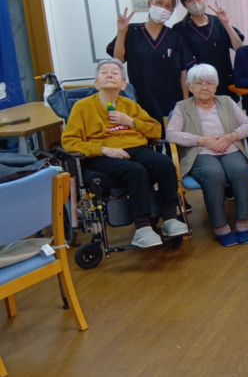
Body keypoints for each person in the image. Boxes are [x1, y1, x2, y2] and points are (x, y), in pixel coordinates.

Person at [61, 59, 189, 248]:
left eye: (115, 72)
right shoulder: (82, 107)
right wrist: (102, 149)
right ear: (96, 84)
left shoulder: (130, 105)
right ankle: (143, 228)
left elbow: (155, 130)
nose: (109, 74)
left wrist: (132, 122)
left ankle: (170, 219)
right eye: (104, 72)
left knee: (164, 164)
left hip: (136, 148)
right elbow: (69, 142)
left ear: (123, 85)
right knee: (136, 171)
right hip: (102, 154)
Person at [166, 64, 248, 247]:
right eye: (199, 83)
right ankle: (221, 227)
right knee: (213, 174)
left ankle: (243, 223)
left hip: (229, 148)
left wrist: (231, 137)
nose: (205, 87)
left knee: (240, 170)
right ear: (190, 86)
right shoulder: (182, 107)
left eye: (209, 83)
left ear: (216, 85)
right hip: (200, 153)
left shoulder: (227, 101)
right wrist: (201, 140)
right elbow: (171, 134)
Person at [107, 0, 192, 125]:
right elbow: (118, 60)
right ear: (149, 3)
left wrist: (186, 103)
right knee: (144, 131)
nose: (163, 8)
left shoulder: (174, 37)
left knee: (170, 135)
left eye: (168, 6)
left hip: (170, 98)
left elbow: (184, 72)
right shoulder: (132, 31)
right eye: (159, 3)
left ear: (171, 11)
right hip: (141, 97)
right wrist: (121, 33)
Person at [173, 0, 244, 98]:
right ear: (184, 4)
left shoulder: (218, 22)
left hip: (224, 83)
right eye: (189, 0)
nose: (195, 3)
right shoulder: (180, 29)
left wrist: (226, 24)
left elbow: (239, 49)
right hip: (198, 88)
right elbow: (182, 67)